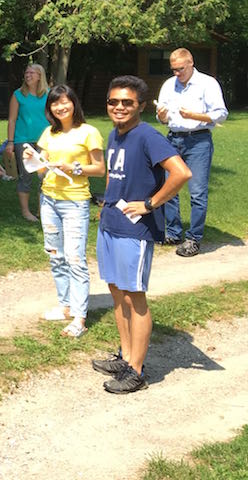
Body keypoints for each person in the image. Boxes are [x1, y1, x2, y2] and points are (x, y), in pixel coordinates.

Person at [92, 76, 191, 394]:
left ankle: (136, 370)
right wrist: (106, 202)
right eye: (113, 101)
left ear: (141, 106)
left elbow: (181, 172)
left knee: (135, 297)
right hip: (110, 223)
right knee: (116, 291)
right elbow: (112, 174)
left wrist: (150, 204)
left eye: (127, 102)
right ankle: (125, 356)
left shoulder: (148, 136)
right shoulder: (114, 134)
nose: (119, 107)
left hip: (134, 230)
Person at [25, 85, 104, 338]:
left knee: (75, 258)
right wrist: (33, 158)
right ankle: (65, 306)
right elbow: (40, 169)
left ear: (74, 103)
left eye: (64, 102)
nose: (60, 107)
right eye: (55, 104)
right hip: (48, 200)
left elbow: (100, 169)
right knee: (55, 255)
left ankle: (80, 318)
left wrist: (71, 167)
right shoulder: (49, 133)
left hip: (75, 202)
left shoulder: (89, 132)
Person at [155, 48, 228, 257]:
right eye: (173, 69)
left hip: (198, 140)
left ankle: (193, 238)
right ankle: (173, 232)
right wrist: (161, 116)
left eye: (180, 69)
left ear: (190, 63)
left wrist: (194, 115)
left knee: (197, 192)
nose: (176, 73)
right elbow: (163, 118)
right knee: (169, 188)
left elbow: (221, 114)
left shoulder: (207, 83)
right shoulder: (169, 85)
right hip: (173, 139)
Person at [6, 63, 49, 221]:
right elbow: (11, 120)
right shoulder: (18, 95)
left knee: (45, 175)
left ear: (40, 76)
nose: (28, 75)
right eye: (27, 72)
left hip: (45, 141)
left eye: (32, 72)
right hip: (23, 141)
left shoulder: (48, 94)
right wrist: (10, 142)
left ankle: (42, 210)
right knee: (26, 176)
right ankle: (25, 211)